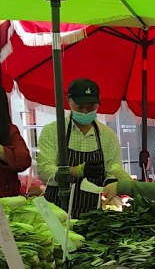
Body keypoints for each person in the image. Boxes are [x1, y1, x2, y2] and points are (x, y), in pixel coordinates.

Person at [37, 78, 125, 213]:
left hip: (91, 213)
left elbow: (113, 169)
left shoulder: (108, 136)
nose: (84, 112)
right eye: (79, 107)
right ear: (68, 101)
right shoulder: (53, 131)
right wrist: (75, 171)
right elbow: (44, 171)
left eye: (90, 107)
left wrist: (111, 182)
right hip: (56, 211)